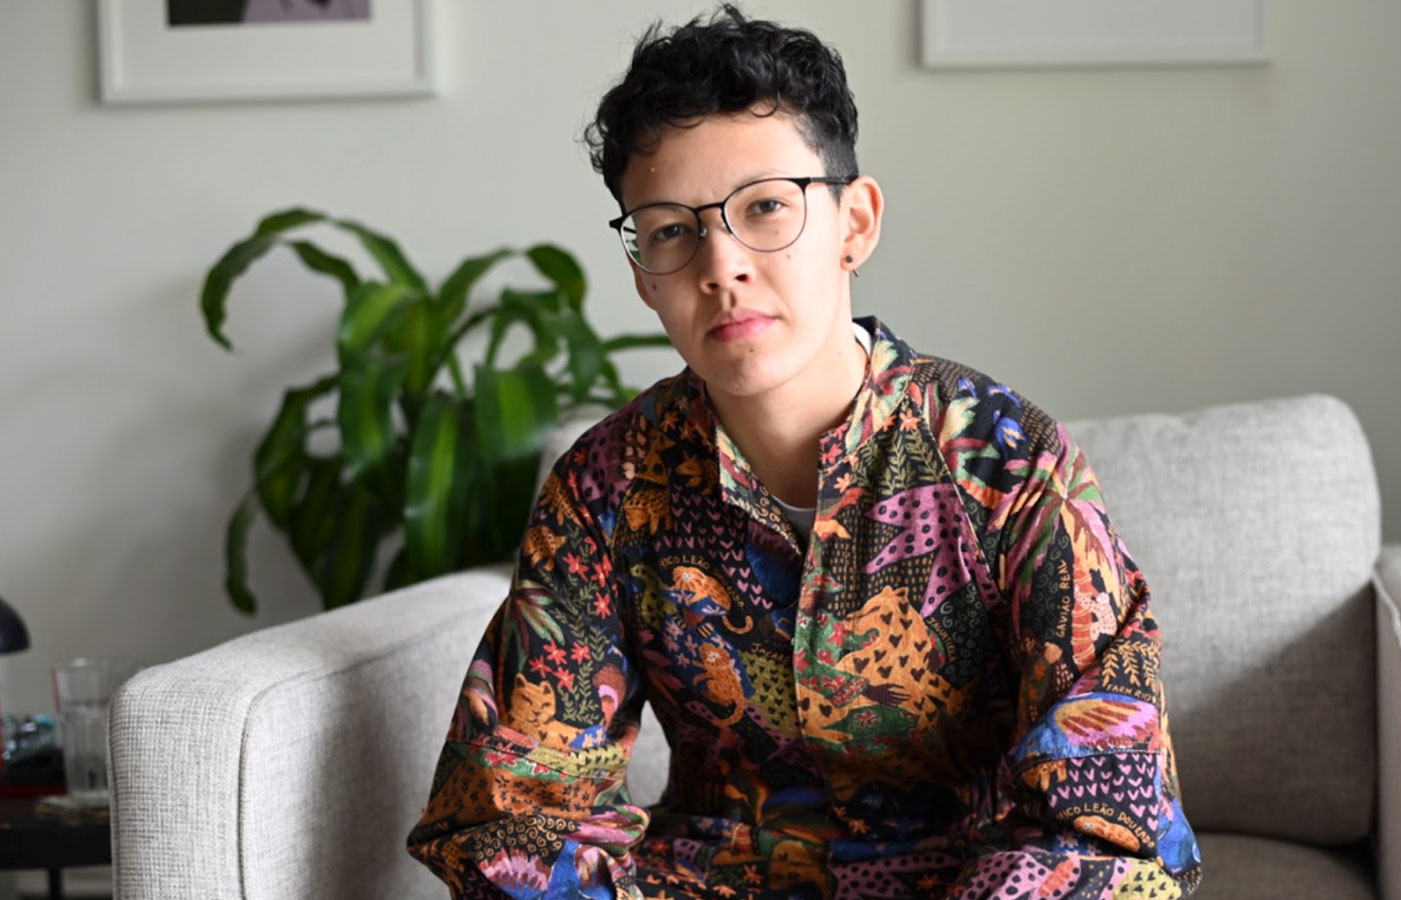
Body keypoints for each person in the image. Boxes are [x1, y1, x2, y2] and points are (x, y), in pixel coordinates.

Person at [405, 5, 1202, 898]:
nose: (722, 264)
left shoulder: (1005, 460)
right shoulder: (606, 487)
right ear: (644, 277)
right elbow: (515, 814)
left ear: (854, 223)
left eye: (766, 209)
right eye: (672, 229)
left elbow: (1112, 808)